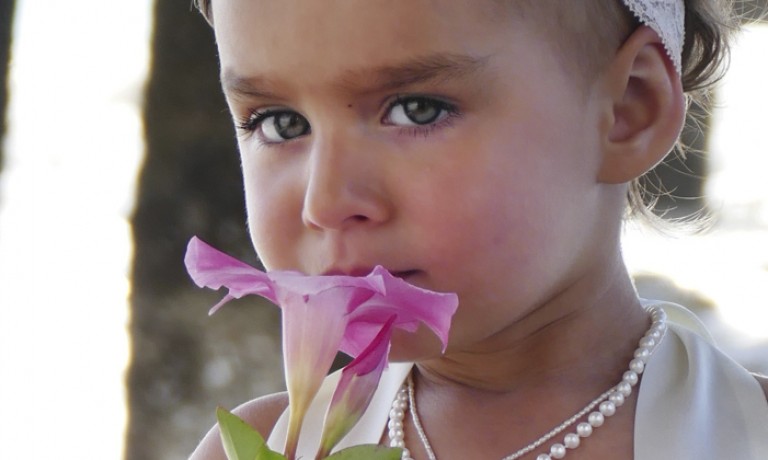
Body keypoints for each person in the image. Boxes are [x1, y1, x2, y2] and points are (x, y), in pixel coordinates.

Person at [188, 1, 768, 459]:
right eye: (280, 122)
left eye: (416, 109)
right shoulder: (263, 448)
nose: (327, 202)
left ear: (628, 110)